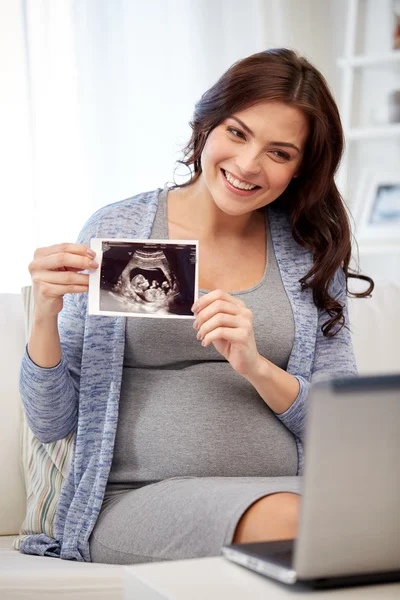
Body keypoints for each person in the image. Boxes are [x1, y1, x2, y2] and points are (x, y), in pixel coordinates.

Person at [21, 48, 373, 564]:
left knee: (342, 518)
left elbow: (338, 428)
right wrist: (43, 315)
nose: (248, 165)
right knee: (302, 523)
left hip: (295, 491)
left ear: (302, 168)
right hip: (139, 500)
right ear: (205, 127)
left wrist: (255, 366)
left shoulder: (309, 255)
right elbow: (53, 422)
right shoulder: (119, 231)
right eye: (237, 132)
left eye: (280, 152)